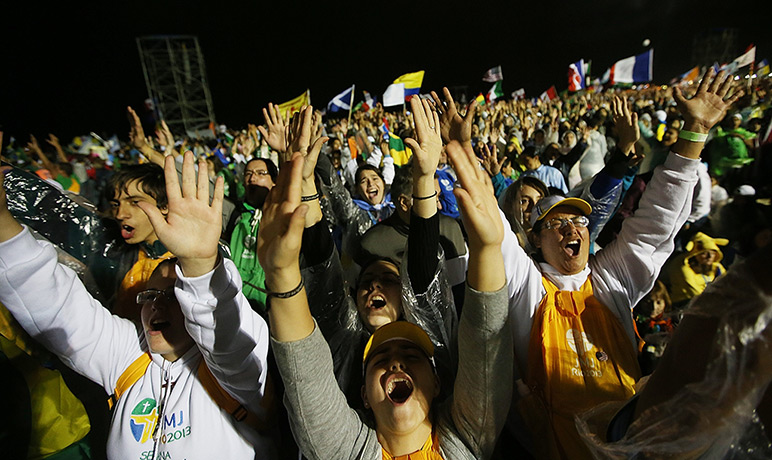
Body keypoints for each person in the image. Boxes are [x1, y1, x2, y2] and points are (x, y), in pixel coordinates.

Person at [498, 69, 742, 458]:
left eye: (578, 221)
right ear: (535, 238)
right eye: (556, 224)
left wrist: (694, 133)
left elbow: (654, 226)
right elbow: (495, 236)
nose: (570, 230)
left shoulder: (610, 277)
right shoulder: (524, 287)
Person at [0, 153, 275, 459]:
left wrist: (199, 263)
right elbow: (58, 306)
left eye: (175, 295)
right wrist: (2, 224)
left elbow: (225, 328)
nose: (158, 305)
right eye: (151, 295)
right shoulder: (130, 359)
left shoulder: (237, 375)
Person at [258, 136, 512, 459]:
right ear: (363, 394)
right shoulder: (348, 447)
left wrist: (484, 245)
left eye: (413, 354)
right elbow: (308, 372)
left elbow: (483, 347)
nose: (395, 361)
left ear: (437, 382)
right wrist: (282, 274)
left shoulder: (463, 437)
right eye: (377, 361)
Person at [106, 163, 174, 320]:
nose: (120, 214)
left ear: (164, 206)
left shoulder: (189, 260)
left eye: (135, 202)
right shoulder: (117, 254)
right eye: (116, 204)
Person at [223, 157, 279, 313]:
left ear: (274, 181)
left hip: (270, 309)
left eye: (261, 173)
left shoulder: (283, 213)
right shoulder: (233, 213)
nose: (253, 178)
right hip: (234, 306)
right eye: (248, 174)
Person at [668, 232, 728, 306]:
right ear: (695, 254)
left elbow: (727, 282)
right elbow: (693, 291)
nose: (709, 256)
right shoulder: (682, 265)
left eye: (712, 253)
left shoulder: (716, 266)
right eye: (704, 253)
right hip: (685, 303)